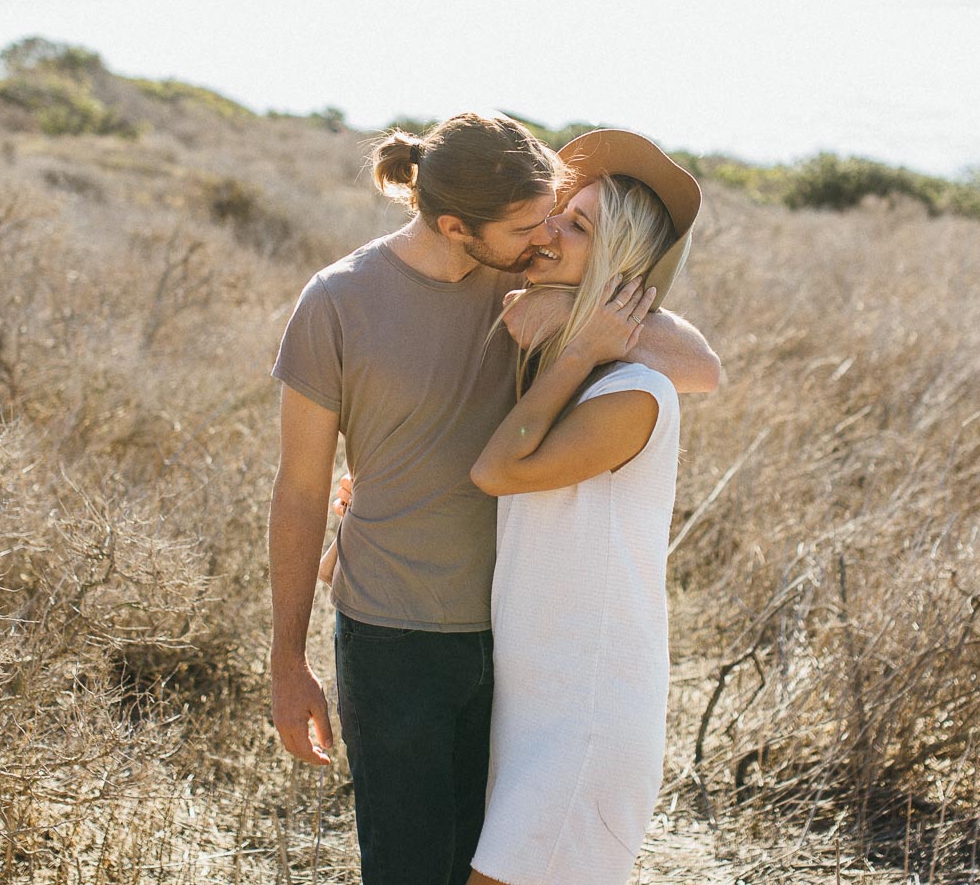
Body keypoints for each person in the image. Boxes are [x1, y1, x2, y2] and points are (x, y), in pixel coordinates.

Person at [269, 113, 720, 885]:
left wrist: (576, 320)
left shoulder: (529, 280)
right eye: (527, 226)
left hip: (516, 643)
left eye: (556, 218)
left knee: (489, 861)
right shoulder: (338, 301)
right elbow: (301, 488)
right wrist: (286, 658)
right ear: (457, 226)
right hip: (393, 633)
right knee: (409, 867)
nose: (544, 238)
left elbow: (701, 365)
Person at [465, 130, 696, 885]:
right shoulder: (548, 370)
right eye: (562, 210)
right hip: (529, 701)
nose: (552, 227)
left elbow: (498, 470)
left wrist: (574, 346)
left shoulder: (631, 393)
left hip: (587, 716)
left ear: (618, 264)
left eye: (581, 224)